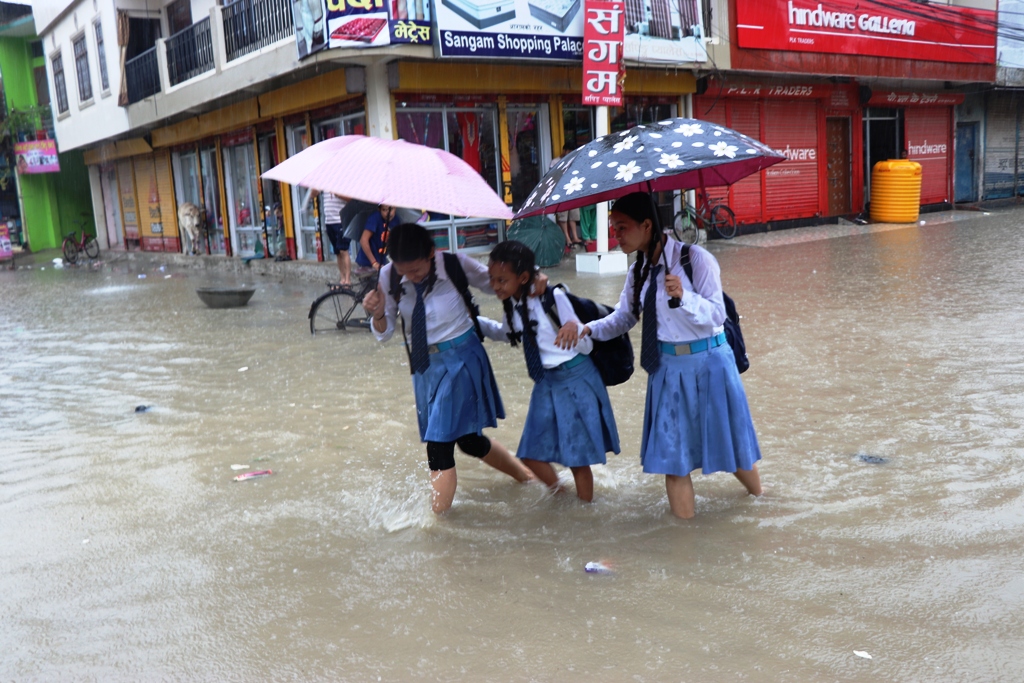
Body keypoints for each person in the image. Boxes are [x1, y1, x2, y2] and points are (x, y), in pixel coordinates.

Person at [558, 192, 762, 518]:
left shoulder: (695, 260)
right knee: (674, 461)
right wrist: (587, 328)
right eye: (614, 228)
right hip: (666, 369)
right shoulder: (637, 272)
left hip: (710, 364)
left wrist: (684, 295)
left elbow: (715, 315)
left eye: (622, 227)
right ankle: (686, 543)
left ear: (647, 225)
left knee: (733, 449)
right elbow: (624, 318)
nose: (616, 235)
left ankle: (761, 501)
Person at [362, 223, 536, 513]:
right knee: (469, 441)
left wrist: (534, 282)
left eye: (417, 270)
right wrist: (378, 312)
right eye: (405, 271)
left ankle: (437, 528)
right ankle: (525, 476)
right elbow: (384, 333)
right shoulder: (388, 276)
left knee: (438, 444)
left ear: (431, 252)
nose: (411, 277)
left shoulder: (455, 264)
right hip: (424, 366)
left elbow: (502, 282)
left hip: (461, 360)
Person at [479, 241, 620, 502]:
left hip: (576, 376)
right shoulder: (513, 304)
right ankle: (561, 496)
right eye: (491, 279)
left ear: (522, 277)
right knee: (530, 453)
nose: (495, 285)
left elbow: (586, 341)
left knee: (578, 459)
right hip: (546, 381)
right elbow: (505, 332)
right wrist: (471, 321)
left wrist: (574, 329)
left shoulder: (553, 297)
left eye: (502, 280)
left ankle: (584, 512)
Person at [550, 144, 582, 250]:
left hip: (572, 190)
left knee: (573, 215)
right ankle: (567, 238)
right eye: (569, 151)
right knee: (563, 216)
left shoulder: (573, 161)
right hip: (560, 192)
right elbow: (552, 177)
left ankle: (575, 237)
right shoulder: (555, 162)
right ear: (564, 150)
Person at [321, 191, 350, 284]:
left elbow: (351, 199)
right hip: (329, 221)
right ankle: (342, 278)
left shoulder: (341, 184)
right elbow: (313, 194)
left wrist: (338, 194)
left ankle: (348, 280)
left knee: (343, 250)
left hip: (341, 221)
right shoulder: (324, 186)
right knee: (337, 252)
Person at [356, 204, 395, 271]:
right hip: (368, 262)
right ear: (379, 209)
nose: (388, 213)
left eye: (391, 209)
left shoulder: (396, 220)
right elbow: (363, 240)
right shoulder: (374, 218)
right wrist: (374, 263)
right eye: (384, 210)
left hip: (383, 261)